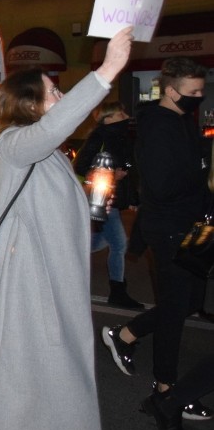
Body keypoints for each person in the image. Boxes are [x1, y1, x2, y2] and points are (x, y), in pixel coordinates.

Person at [0, 26, 133, 430]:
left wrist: (90, 199)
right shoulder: (14, 142)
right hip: (28, 276)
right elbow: (51, 131)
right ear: (30, 102)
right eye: (53, 91)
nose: (60, 97)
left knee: (36, 368)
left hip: (50, 272)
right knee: (35, 367)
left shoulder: (45, 150)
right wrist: (107, 69)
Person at [101, 57, 212, 422]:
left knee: (189, 301)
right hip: (169, 228)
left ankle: (126, 334)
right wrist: (203, 177)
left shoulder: (183, 121)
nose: (198, 98)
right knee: (176, 308)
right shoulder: (158, 127)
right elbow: (164, 186)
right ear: (170, 90)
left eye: (201, 91)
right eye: (192, 93)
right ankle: (166, 390)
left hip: (193, 225)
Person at [73, 101, 144, 309]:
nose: (125, 115)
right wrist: (112, 174)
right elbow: (81, 165)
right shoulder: (100, 136)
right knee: (119, 244)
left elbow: (129, 170)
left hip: (112, 198)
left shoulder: (123, 137)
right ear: (108, 118)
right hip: (100, 197)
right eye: (120, 112)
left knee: (99, 241)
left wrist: (132, 199)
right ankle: (118, 292)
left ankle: (66, 252)